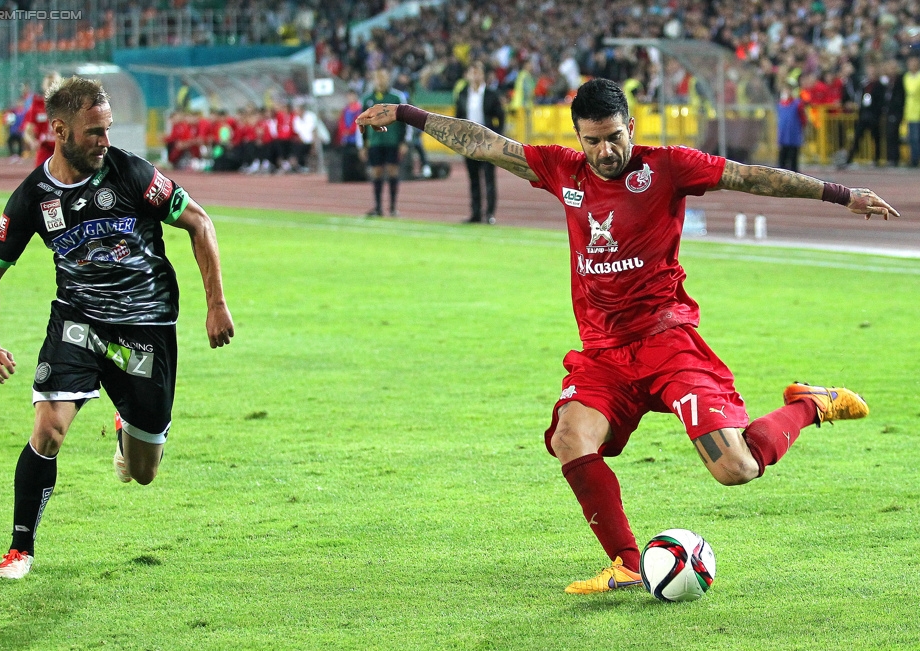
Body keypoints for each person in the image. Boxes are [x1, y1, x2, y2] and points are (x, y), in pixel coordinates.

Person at [357, 78, 898, 594]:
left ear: (631, 127)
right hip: (605, 356)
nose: (606, 150)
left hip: (668, 343)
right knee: (571, 436)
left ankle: (810, 404)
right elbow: (483, 143)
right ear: (578, 138)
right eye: (593, 141)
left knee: (737, 469)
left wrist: (841, 193)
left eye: (615, 137)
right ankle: (627, 563)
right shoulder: (560, 170)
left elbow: (750, 176)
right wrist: (408, 114)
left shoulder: (668, 167)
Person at [0, 76, 235, 580]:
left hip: (144, 328)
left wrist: (216, 304)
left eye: (108, 129)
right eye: (94, 131)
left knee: (143, 472)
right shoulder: (32, 198)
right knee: (47, 431)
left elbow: (200, 223)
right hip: (79, 324)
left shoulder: (133, 173)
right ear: (59, 130)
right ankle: (19, 549)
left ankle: (125, 430)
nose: (105, 140)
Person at [454, 62, 505, 224]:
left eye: (477, 73)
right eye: (472, 73)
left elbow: (501, 117)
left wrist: (497, 137)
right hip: (469, 142)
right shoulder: (462, 94)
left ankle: (489, 214)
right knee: (473, 179)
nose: (475, 76)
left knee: (489, 178)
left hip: (487, 141)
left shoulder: (491, 94)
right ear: (467, 75)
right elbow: (458, 118)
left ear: (483, 75)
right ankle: (475, 213)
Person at [359, 69, 408, 217]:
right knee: (377, 172)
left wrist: (403, 142)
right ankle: (378, 207)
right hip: (375, 142)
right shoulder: (367, 98)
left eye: (383, 77)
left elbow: (404, 120)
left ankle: (393, 208)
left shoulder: (396, 97)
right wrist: (363, 144)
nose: (380, 80)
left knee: (393, 171)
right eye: (378, 77)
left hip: (392, 140)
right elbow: (362, 122)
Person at [842, 64, 886, 169]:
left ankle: (876, 159)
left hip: (874, 115)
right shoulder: (864, 85)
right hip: (863, 115)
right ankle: (849, 159)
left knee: (876, 138)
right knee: (857, 137)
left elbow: (881, 101)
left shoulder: (880, 85)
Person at [23, 73, 62, 168]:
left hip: (64, 149)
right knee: (41, 179)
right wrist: (32, 142)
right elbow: (27, 131)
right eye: (49, 84)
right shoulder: (37, 105)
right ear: (43, 86)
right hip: (45, 149)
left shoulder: (68, 105)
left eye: (54, 83)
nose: (51, 86)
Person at [776, 80, 806, 173]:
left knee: (793, 160)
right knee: (782, 160)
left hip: (793, 136)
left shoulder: (797, 104)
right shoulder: (780, 104)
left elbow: (803, 119)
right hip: (783, 136)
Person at [903, 55, 920, 167]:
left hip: (918, 110)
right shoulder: (906, 77)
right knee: (912, 138)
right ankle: (914, 160)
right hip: (910, 111)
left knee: (916, 137)